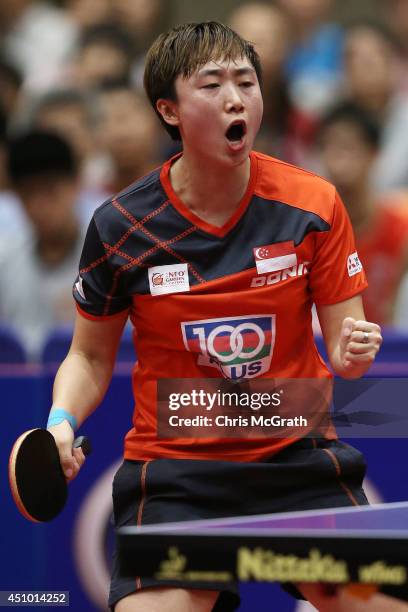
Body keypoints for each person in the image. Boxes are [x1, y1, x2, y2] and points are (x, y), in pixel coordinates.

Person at [46, 22, 383, 612]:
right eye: (213, 84)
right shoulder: (122, 226)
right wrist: (60, 421)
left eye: (246, 82)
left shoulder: (313, 205)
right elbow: (90, 354)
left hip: (294, 459)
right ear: (169, 110)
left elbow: (344, 356)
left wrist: (353, 352)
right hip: (178, 473)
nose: (236, 97)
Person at [318, 101, 408, 326]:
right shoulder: (312, 232)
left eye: (349, 147)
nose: (339, 161)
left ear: (374, 154)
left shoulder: (402, 229)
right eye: (331, 147)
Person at [0, 129, 85, 360]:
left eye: (50, 191)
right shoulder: (4, 261)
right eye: (28, 194)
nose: (39, 206)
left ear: (75, 184)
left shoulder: (110, 259)